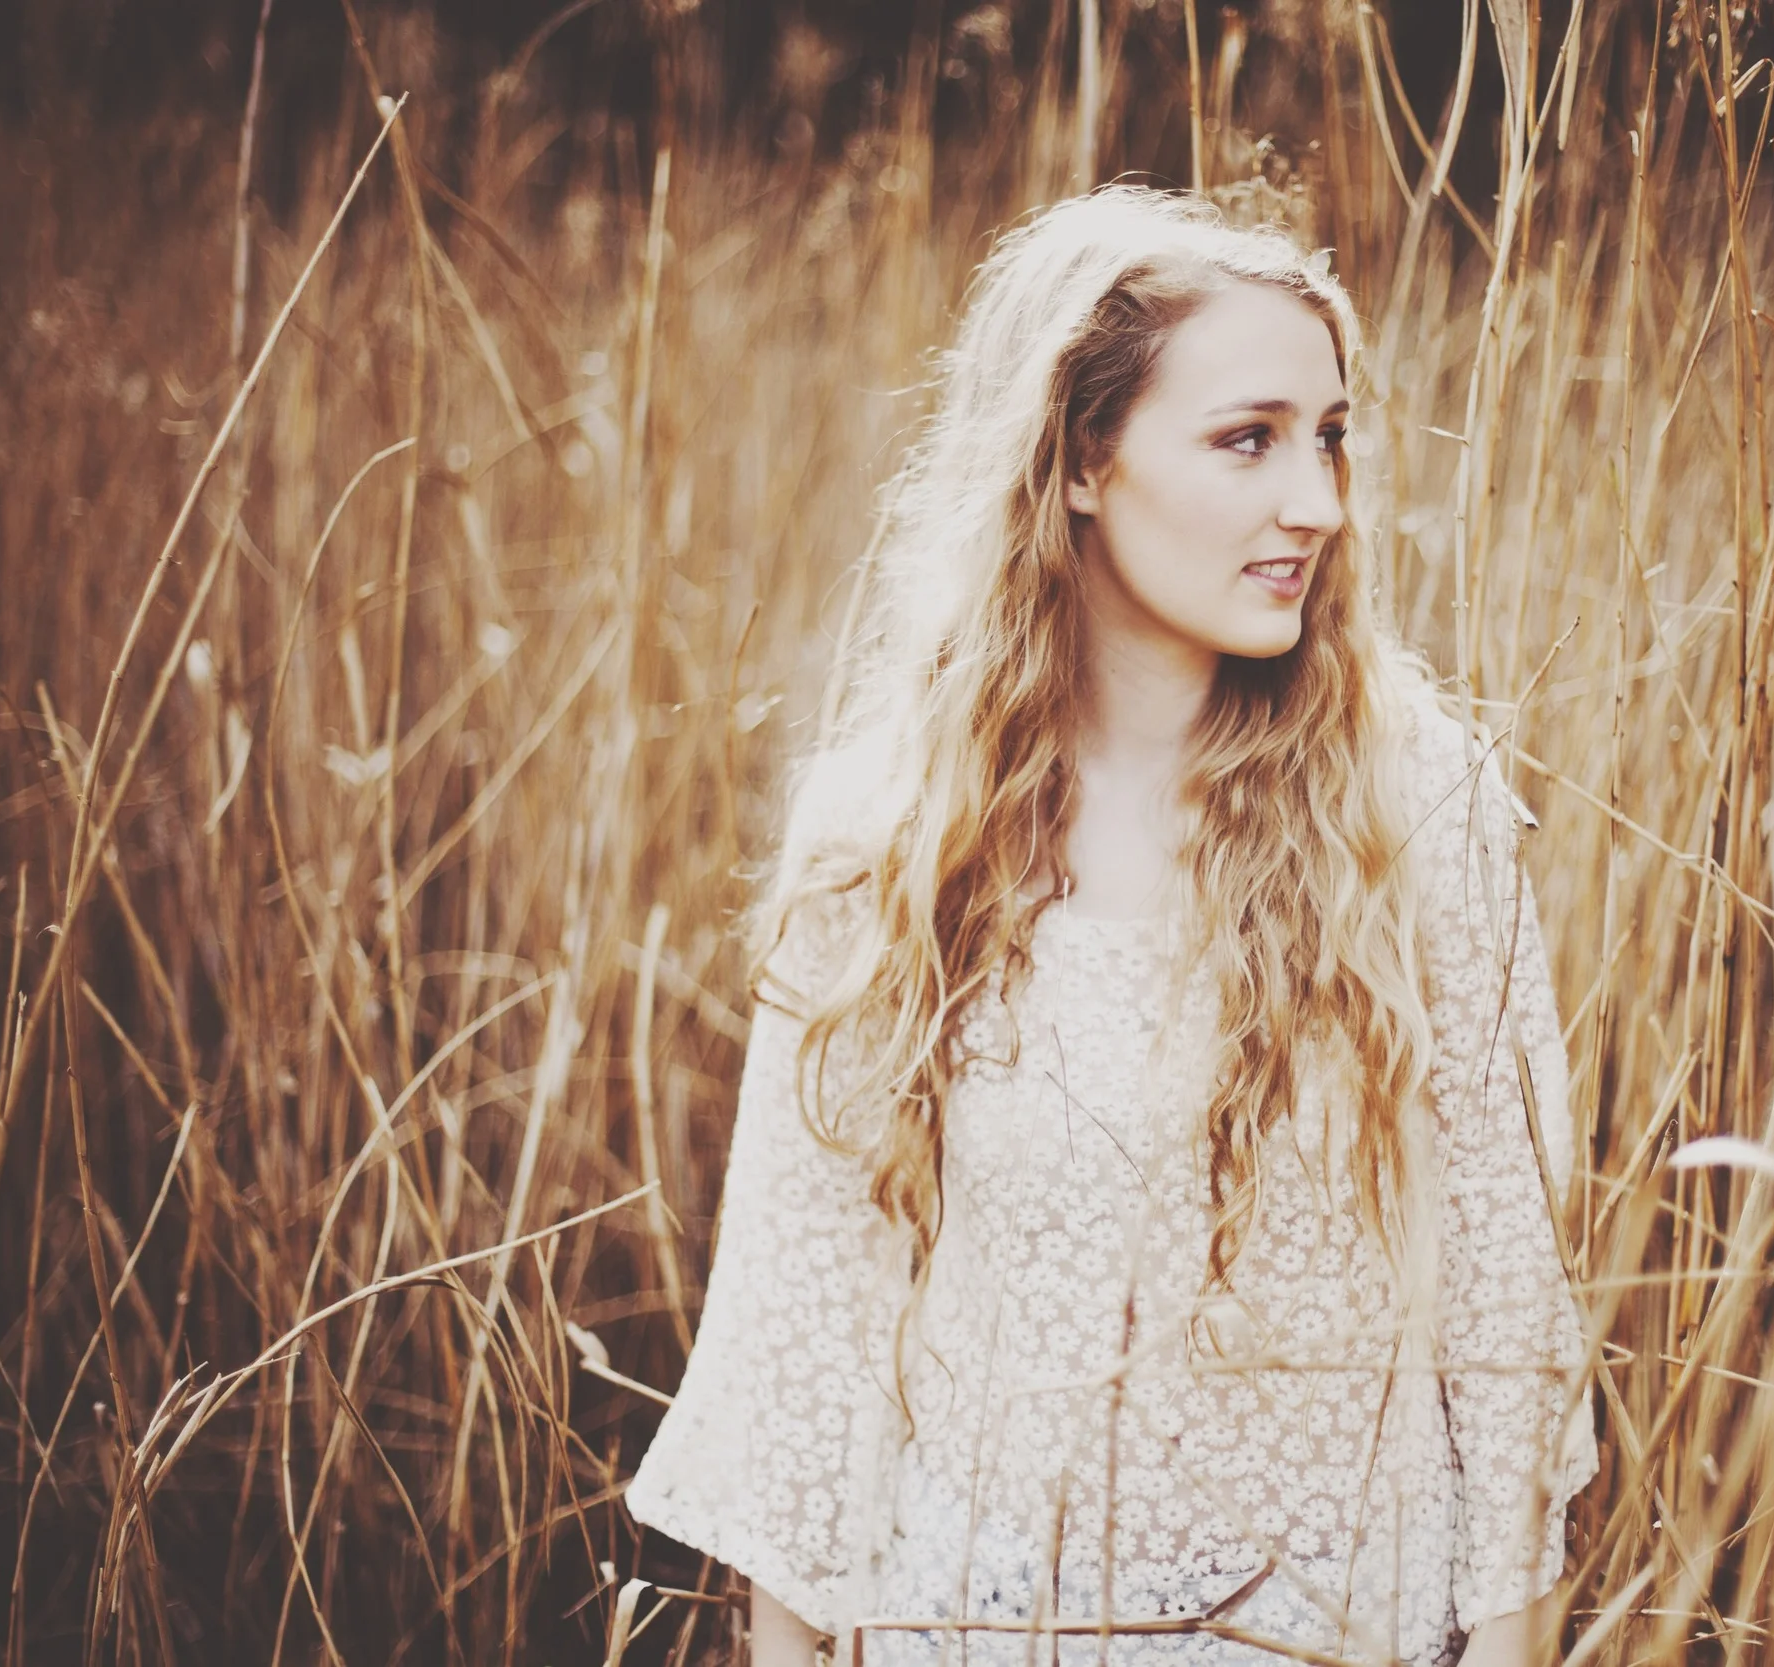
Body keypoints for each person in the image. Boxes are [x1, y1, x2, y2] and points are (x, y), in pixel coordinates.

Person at [625, 185, 1598, 1667]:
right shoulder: (889, 843)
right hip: (978, 1627)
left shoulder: (1420, 818)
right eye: (1248, 438)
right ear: (1082, 457)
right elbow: (801, 1364)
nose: (1320, 503)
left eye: (1329, 435)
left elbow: (1507, 1327)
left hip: (1336, 1633)